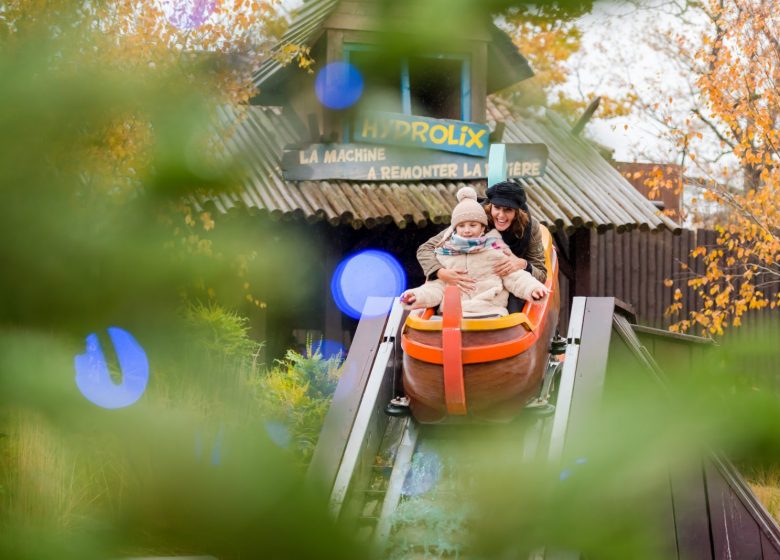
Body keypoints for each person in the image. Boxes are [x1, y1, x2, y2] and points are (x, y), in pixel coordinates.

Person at [400, 187, 548, 317]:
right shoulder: (447, 251)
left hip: (489, 311)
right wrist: (421, 291)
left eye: (508, 210)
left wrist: (532, 286)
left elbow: (516, 278)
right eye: (462, 226)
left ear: (483, 228)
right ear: (454, 229)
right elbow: (435, 286)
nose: (467, 230)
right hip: (454, 314)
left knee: (516, 303)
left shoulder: (496, 249)